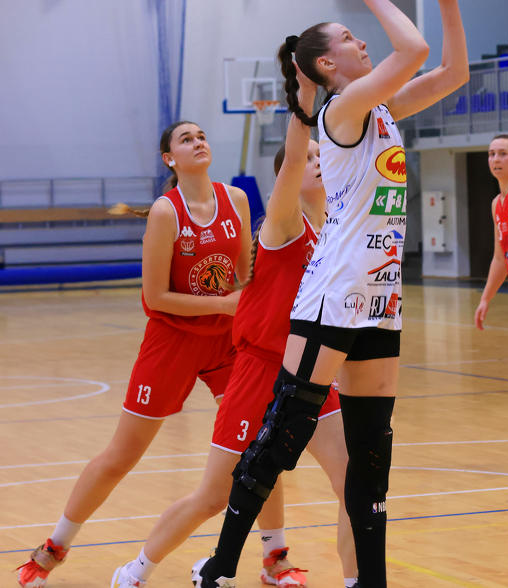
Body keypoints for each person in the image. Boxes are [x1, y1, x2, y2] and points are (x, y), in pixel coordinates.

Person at [193, 0, 471, 588]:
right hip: (333, 293)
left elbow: (452, 72)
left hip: (380, 297)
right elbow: (414, 51)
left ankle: (370, 582)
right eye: (350, 36)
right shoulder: (340, 111)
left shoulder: (382, 110)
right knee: (283, 434)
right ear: (326, 63)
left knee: (372, 456)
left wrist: (448, 1)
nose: (362, 40)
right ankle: (222, 566)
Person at [111, 71, 358, 588]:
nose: (317, 161)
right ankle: (138, 569)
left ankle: (353, 579)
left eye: (323, 156)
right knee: (216, 494)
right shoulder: (284, 223)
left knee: (353, 482)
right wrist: (304, 97)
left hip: (311, 372)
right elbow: (294, 156)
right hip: (259, 370)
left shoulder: (332, 230)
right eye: (310, 157)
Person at [16, 120, 252, 588]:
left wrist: (251, 308)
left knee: (254, 445)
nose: (198, 142)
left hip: (226, 341)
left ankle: (274, 553)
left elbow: (244, 278)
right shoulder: (166, 212)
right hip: (172, 341)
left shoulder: (237, 200)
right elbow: (155, 297)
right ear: (170, 158)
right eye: (186, 139)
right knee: (122, 456)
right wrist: (223, 304)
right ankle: (53, 547)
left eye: (201, 136)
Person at [474, 134, 508, 329]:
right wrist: (485, 298)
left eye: (503, 154)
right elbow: (500, 259)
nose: (496, 159)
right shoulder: (496, 204)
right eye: (492, 154)